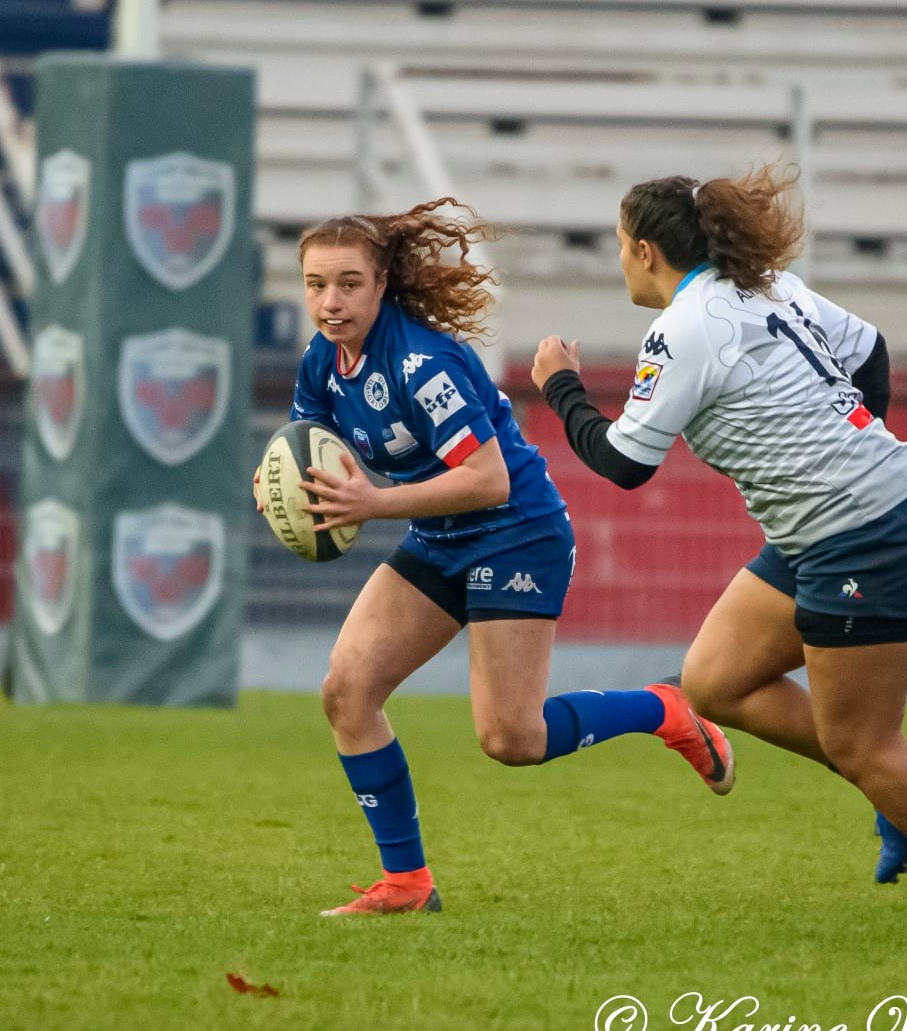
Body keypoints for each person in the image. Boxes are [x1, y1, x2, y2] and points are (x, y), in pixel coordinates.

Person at [531, 167, 907, 941]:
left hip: (865, 529)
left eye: (619, 247)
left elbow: (626, 464)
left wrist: (560, 385)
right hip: (838, 523)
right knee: (715, 679)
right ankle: (904, 790)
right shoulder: (768, 286)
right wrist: (841, 446)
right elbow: (869, 354)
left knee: (860, 740)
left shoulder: (683, 325)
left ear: (642, 249)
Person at [270, 199, 734, 918]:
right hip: (442, 533)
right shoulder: (321, 364)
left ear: (382, 282)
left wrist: (371, 505)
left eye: (349, 283)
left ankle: (663, 707)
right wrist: (288, 498)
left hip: (514, 530)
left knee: (510, 738)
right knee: (346, 692)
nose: (330, 301)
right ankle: (406, 883)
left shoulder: (424, 362)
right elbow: (306, 453)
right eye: (315, 283)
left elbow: (488, 479)